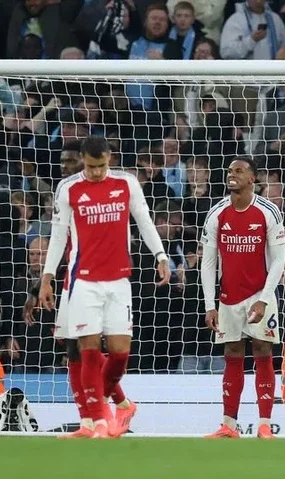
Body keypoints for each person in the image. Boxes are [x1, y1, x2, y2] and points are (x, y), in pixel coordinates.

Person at [39, 136, 171, 439]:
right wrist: (47, 277)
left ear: (109, 158)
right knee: (82, 349)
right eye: (90, 166)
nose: (96, 172)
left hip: (118, 280)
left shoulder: (126, 184)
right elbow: (58, 236)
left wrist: (161, 255)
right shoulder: (69, 189)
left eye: (100, 166)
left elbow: (144, 220)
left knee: (119, 353)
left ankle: (115, 404)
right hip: (81, 280)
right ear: (83, 160)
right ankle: (95, 422)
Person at [201, 157, 285, 439]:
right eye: (229, 171)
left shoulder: (268, 211)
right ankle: (229, 425)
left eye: (238, 171)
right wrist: (210, 304)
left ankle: (264, 424)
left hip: (260, 293)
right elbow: (208, 262)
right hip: (228, 297)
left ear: (252, 179)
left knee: (263, 350)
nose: (231, 175)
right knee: (232, 354)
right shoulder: (216, 214)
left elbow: (279, 260)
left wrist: (264, 298)